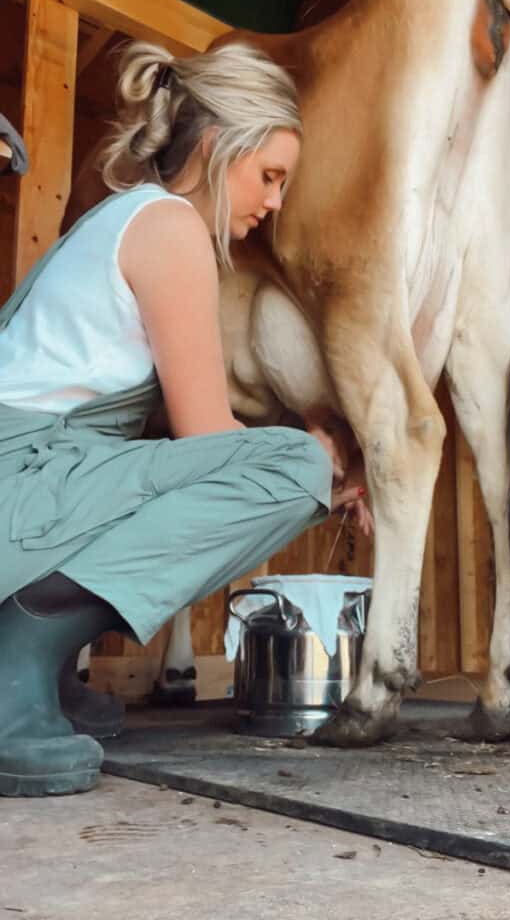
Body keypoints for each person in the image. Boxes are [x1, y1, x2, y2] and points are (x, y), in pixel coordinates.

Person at [0, 40, 368, 798]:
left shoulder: (119, 217)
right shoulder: (169, 228)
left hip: (31, 478)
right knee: (290, 466)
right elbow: (208, 436)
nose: (274, 203)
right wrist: (323, 468)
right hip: (19, 477)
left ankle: (47, 670)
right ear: (215, 145)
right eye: (269, 176)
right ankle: (19, 654)